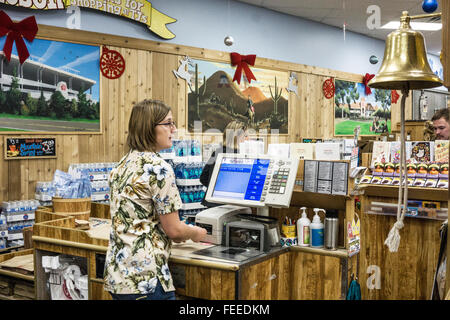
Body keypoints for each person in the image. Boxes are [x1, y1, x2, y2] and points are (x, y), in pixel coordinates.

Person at [103, 99, 207, 300]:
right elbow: (174, 231)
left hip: (119, 277)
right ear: (150, 128)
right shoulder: (159, 169)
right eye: (168, 123)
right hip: (146, 280)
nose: (174, 129)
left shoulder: (121, 165)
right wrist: (196, 232)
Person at [200, 120, 249, 207]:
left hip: (211, 202)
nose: (248, 139)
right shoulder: (241, 156)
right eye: (245, 136)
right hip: (229, 205)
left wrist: (214, 188)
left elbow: (203, 178)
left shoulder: (218, 152)